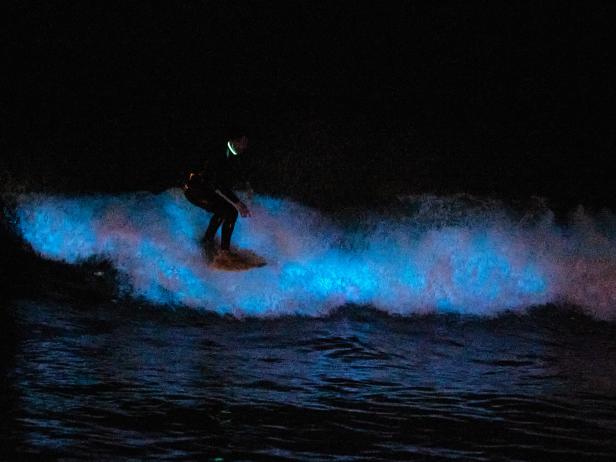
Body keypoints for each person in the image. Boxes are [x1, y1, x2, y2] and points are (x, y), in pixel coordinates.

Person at [184, 132, 252, 261]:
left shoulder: (228, 153)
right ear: (239, 140)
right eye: (245, 143)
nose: (245, 147)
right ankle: (224, 251)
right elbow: (218, 183)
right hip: (195, 190)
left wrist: (246, 184)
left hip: (203, 189)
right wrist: (238, 203)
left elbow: (234, 173)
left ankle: (207, 242)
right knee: (231, 212)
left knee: (225, 210)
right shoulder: (220, 153)